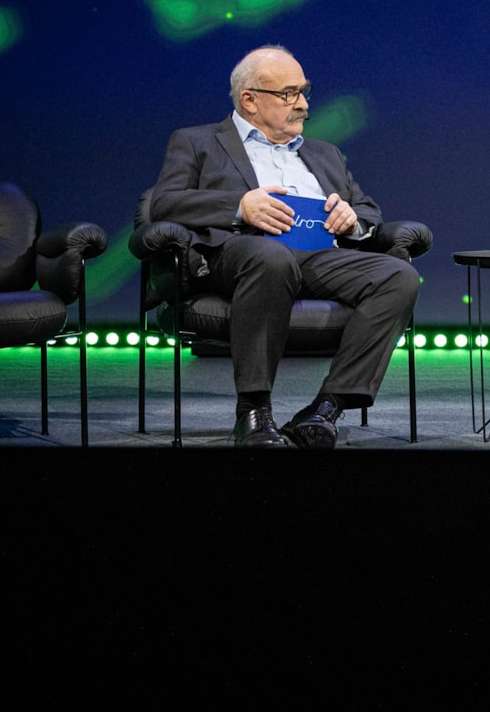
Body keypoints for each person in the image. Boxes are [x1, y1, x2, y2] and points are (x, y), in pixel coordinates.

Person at [150, 45, 421, 448]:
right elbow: (165, 202)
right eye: (289, 94)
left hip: (319, 256)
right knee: (271, 257)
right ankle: (254, 412)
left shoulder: (323, 153)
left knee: (400, 276)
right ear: (250, 99)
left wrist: (353, 219)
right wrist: (240, 206)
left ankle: (326, 408)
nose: (304, 106)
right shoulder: (198, 141)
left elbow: (368, 209)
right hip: (239, 253)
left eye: (304, 92)